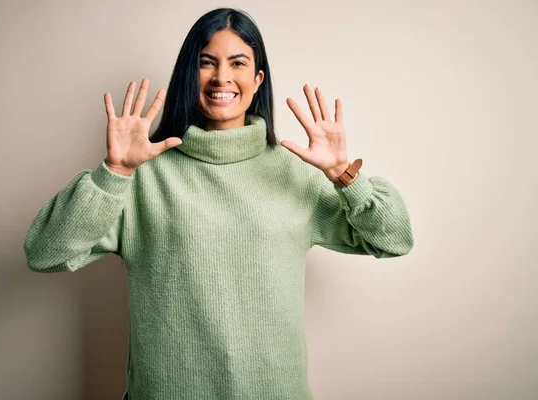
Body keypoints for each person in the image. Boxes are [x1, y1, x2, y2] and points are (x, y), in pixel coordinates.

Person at [23, 7, 414, 400]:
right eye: (206, 63)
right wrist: (113, 171)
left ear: (258, 79)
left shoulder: (295, 173)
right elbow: (44, 252)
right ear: (187, 77)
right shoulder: (143, 175)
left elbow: (394, 239)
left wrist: (344, 173)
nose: (221, 77)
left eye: (238, 63)